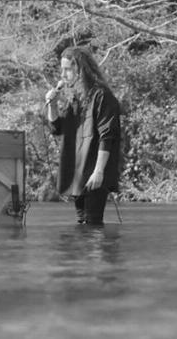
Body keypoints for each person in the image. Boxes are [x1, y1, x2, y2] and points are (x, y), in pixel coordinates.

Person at [45, 46, 122, 225]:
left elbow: (107, 136)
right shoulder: (75, 98)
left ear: (80, 70)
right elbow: (57, 128)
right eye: (62, 69)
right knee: (83, 223)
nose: (63, 75)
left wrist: (99, 171)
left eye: (67, 69)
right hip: (78, 171)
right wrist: (52, 105)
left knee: (92, 223)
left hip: (95, 171)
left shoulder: (102, 95)